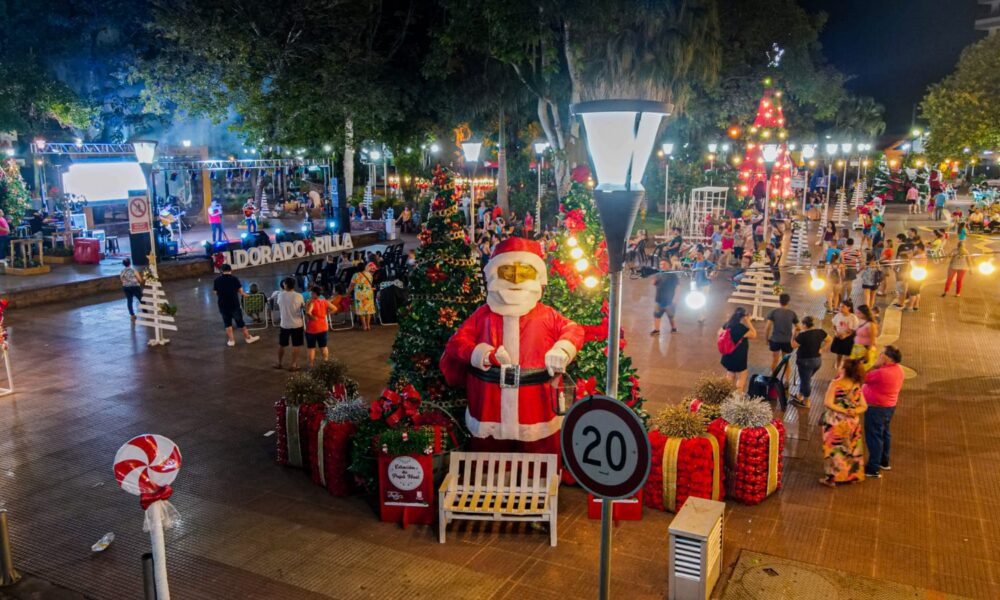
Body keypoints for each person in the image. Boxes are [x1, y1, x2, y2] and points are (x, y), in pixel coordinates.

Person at [819, 358, 868, 487]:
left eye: (840, 366)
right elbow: (864, 406)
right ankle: (850, 475)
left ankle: (833, 478)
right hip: (852, 423)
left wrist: (843, 410)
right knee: (851, 449)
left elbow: (827, 403)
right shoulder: (856, 385)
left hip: (835, 423)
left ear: (845, 370)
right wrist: (854, 410)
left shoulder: (835, 384)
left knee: (834, 450)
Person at [863, 346, 904, 478]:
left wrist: (874, 365)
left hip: (876, 408)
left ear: (886, 357)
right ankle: (883, 461)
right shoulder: (899, 370)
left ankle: (873, 468)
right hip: (889, 407)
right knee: (885, 434)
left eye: (881, 353)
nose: (879, 354)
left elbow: (862, 376)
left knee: (874, 437)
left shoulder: (881, 373)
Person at [212, 264, 260, 347]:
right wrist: (248, 295)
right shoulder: (234, 279)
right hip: (234, 305)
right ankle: (248, 338)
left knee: (227, 324)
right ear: (231, 270)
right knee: (240, 322)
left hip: (223, 305)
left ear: (221, 271)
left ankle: (231, 341)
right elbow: (241, 292)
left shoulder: (217, 280)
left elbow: (215, 292)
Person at [791, 316, 828, 408]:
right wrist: (822, 349)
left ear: (804, 325)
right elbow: (829, 340)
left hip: (805, 362)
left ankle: (806, 401)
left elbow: (793, 345)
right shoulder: (820, 332)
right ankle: (799, 395)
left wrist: (793, 334)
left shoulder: (802, 335)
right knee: (805, 379)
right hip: (817, 361)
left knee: (806, 381)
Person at [271, 277, 305, 370]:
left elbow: (278, 302)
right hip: (297, 324)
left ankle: (279, 363)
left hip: (285, 324)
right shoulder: (299, 296)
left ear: (285, 284)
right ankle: (293, 364)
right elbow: (302, 306)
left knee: (282, 344)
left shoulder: (280, 295)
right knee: (296, 345)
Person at [719, 307, 756, 390]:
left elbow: (719, 333)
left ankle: (726, 394)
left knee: (730, 374)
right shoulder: (741, 328)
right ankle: (737, 398)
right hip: (739, 357)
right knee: (741, 377)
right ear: (742, 317)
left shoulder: (727, 325)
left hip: (727, 355)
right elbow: (754, 334)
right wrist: (748, 321)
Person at [765, 293, 799, 381]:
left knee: (775, 360)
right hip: (787, 341)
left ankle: (773, 378)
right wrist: (794, 336)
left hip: (775, 340)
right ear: (788, 302)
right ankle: (787, 381)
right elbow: (798, 327)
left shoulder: (773, 312)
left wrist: (766, 339)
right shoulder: (792, 313)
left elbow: (767, 327)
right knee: (786, 361)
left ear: (779, 301)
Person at [304, 285, 335, 367]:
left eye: (311, 292)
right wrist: (327, 314)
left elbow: (308, 312)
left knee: (311, 348)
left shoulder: (311, 302)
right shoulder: (324, 301)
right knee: (323, 346)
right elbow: (334, 308)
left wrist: (312, 317)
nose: (310, 294)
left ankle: (310, 365)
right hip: (323, 327)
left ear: (314, 293)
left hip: (312, 329)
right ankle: (326, 362)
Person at [651, 257, 680, 335]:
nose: (662, 265)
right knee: (657, 315)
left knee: (671, 316)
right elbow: (654, 283)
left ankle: (674, 328)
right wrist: (654, 278)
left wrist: (675, 298)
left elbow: (677, 287)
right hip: (659, 299)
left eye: (664, 264)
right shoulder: (658, 274)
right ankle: (657, 330)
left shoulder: (672, 275)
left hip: (669, 301)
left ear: (668, 265)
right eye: (661, 264)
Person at [348, 262, 377, 331]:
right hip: (368, 293)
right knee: (368, 309)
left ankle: (364, 326)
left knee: (361, 310)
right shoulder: (369, 274)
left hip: (359, 294)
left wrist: (348, 292)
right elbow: (370, 284)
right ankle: (368, 325)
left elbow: (351, 285)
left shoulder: (355, 275)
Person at [830, 299, 857, 370]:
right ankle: (837, 369)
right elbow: (834, 325)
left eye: (843, 307)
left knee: (846, 357)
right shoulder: (838, 315)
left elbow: (854, 329)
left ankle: (844, 370)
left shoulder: (853, 317)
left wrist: (846, 335)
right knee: (838, 355)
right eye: (840, 307)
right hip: (838, 337)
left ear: (849, 308)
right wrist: (836, 333)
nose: (840, 309)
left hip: (848, 339)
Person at [690, 250, 715, 323]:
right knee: (698, 300)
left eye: (699, 254)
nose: (698, 256)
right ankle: (701, 315)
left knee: (703, 300)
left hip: (705, 284)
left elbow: (714, 267)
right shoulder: (695, 262)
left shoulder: (706, 262)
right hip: (697, 284)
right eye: (697, 255)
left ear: (702, 255)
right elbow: (692, 271)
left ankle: (702, 316)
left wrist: (711, 274)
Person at [852, 304, 878, 369]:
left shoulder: (871, 325)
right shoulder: (860, 321)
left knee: (863, 368)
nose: (857, 315)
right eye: (857, 313)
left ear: (864, 314)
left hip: (865, 348)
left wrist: (867, 352)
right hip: (857, 348)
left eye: (859, 313)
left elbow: (872, 339)